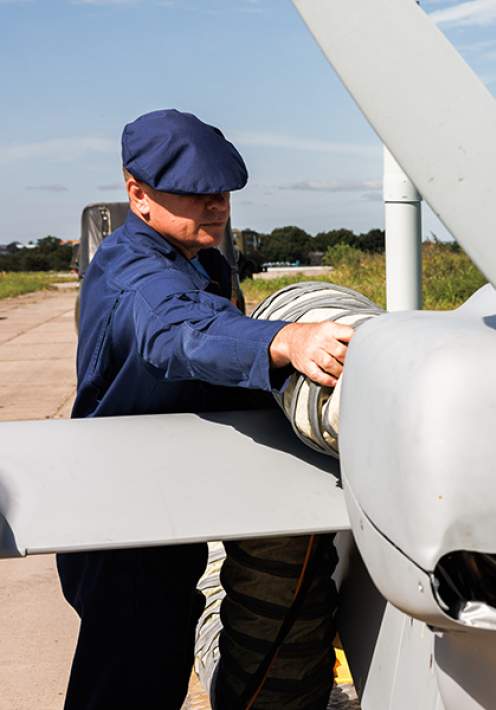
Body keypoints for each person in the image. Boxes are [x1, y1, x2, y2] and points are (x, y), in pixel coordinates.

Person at [56, 109, 351, 710]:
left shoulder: (201, 256)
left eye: (221, 193)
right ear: (136, 193)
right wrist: (283, 341)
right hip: (121, 519)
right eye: (195, 195)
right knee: (128, 670)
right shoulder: (134, 271)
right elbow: (180, 333)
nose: (215, 206)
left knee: (161, 654)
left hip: (168, 496)